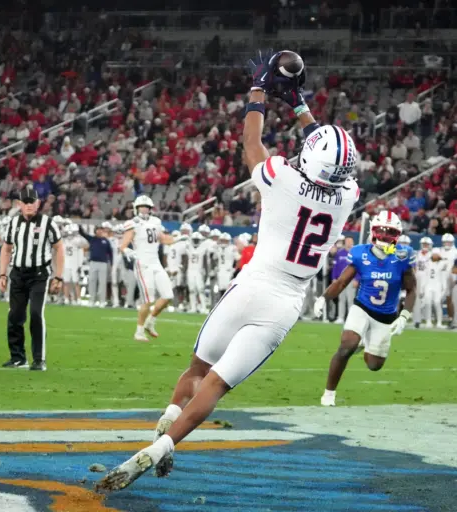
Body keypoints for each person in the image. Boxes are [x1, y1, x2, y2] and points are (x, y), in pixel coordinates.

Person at [96, 50, 359, 491]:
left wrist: (258, 91)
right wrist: (298, 103)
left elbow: (251, 144)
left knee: (199, 368)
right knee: (217, 385)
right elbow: (321, 147)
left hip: (250, 284)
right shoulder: (348, 193)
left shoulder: (283, 177)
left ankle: (168, 416)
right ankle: (165, 446)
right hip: (285, 302)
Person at [314, 210, 417, 407]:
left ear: (398, 235)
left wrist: (404, 316)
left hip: (386, 316)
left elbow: (412, 289)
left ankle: (364, 344)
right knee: (346, 346)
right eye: (382, 231)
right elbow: (342, 281)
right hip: (362, 307)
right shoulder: (361, 253)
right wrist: (324, 298)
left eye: (390, 232)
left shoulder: (403, 256)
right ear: (373, 231)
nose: (386, 236)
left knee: (374, 365)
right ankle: (329, 394)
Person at [0, 184, 64, 371]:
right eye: (25, 202)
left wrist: (58, 276)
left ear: (38, 203)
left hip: (39, 275)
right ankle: (18, 357)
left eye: (32, 202)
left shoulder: (48, 223)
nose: (28, 205)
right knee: (15, 315)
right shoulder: (13, 223)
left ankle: (39, 359)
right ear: (19, 204)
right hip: (18, 273)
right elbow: (6, 248)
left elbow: (59, 247)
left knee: (36, 314)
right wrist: (3, 273)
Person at [118, 195, 175, 342]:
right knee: (148, 300)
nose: (144, 209)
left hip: (156, 262)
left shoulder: (156, 222)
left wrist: (178, 238)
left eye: (146, 207)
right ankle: (139, 332)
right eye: (141, 207)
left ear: (150, 209)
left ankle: (151, 321)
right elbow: (123, 245)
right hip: (143, 264)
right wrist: (128, 251)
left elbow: (163, 239)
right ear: (136, 208)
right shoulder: (132, 223)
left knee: (168, 295)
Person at [79, 222, 113, 307]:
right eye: (98, 230)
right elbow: (83, 234)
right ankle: (92, 300)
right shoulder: (92, 239)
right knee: (92, 281)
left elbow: (110, 253)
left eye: (101, 230)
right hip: (93, 262)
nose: (99, 231)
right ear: (95, 231)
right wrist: (79, 227)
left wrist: (111, 263)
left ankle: (102, 301)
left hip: (103, 263)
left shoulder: (106, 241)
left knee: (102, 283)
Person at [61, 224, 86, 305]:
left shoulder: (78, 241)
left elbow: (81, 253)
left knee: (76, 282)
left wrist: (80, 265)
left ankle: (78, 299)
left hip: (74, 264)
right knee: (66, 282)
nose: (70, 235)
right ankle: (66, 298)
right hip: (66, 264)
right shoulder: (63, 241)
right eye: (68, 233)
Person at [333, 237, 355, 324]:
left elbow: (358, 267)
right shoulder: (339, 253)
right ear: (345, 242)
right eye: (347, 241)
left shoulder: (355, 253)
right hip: (340, 279)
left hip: (351, 279)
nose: (349, 243)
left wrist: (357, 279)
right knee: (341, 299)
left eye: (350, 241)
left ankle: (351, 318)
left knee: (350, 299)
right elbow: (335, 266)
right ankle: (341, 317)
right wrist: (334, 278)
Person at [185, 232, 208, 313]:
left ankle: (204, 307)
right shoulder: (188, 247)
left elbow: (205, 261)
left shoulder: (203, 248)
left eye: (197, 240)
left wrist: (205, 270)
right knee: (192, 290)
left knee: (200, 289)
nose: (195, 241)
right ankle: (193, 307)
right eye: (194, 240)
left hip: (198, 270)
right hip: (190, 270)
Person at [424, 248, 447, 328]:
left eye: (437, 254)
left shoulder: (442, 263)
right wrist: (423, 287)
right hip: (428, 285)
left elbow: (443, 277)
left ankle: (439, 322)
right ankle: (428, 321)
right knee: (428, 303)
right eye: (434, 254)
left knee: (437, 303)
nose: (435, 256)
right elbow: (425, 275)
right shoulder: (427, 263)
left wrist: (444, 288)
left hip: (437, 285)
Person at [414, 237, 433, 327]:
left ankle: (428, 320)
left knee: (427, 300)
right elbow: (413, 267)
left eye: (427, 244)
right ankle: (417, 320)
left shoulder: (432, 255)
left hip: (429, 279)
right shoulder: (417, 254)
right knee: (417, 300)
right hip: (418, 277)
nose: (425, 246)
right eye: (424, 244)